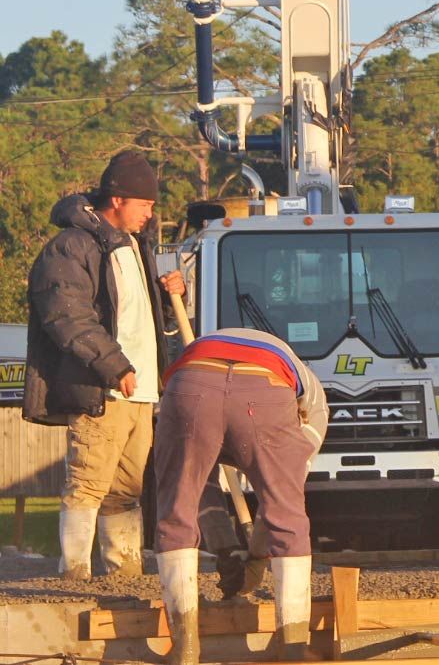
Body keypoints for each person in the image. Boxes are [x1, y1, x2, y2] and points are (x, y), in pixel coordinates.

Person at [23, 151, 185, 580]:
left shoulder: (136, 247)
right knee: (88, 485)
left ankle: (123, 575)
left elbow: (145, 321)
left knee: (126, 492)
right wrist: (115, 366)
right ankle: (74, 576)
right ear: (118, 199)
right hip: (101, 390)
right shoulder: (69, 247)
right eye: (145, 205)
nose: (151, 215)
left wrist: (173, 297)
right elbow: (66, 316)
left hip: (142, 390)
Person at [153, 327, 327, 665]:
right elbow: (277, 508)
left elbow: (198, 491)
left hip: (191, 381)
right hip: (264, 390)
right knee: (289, 515)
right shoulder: (313, 413)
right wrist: (252, 557)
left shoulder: (294, 379)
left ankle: (184, 649)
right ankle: (291, 648)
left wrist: (237, 553)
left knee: (177, 503)